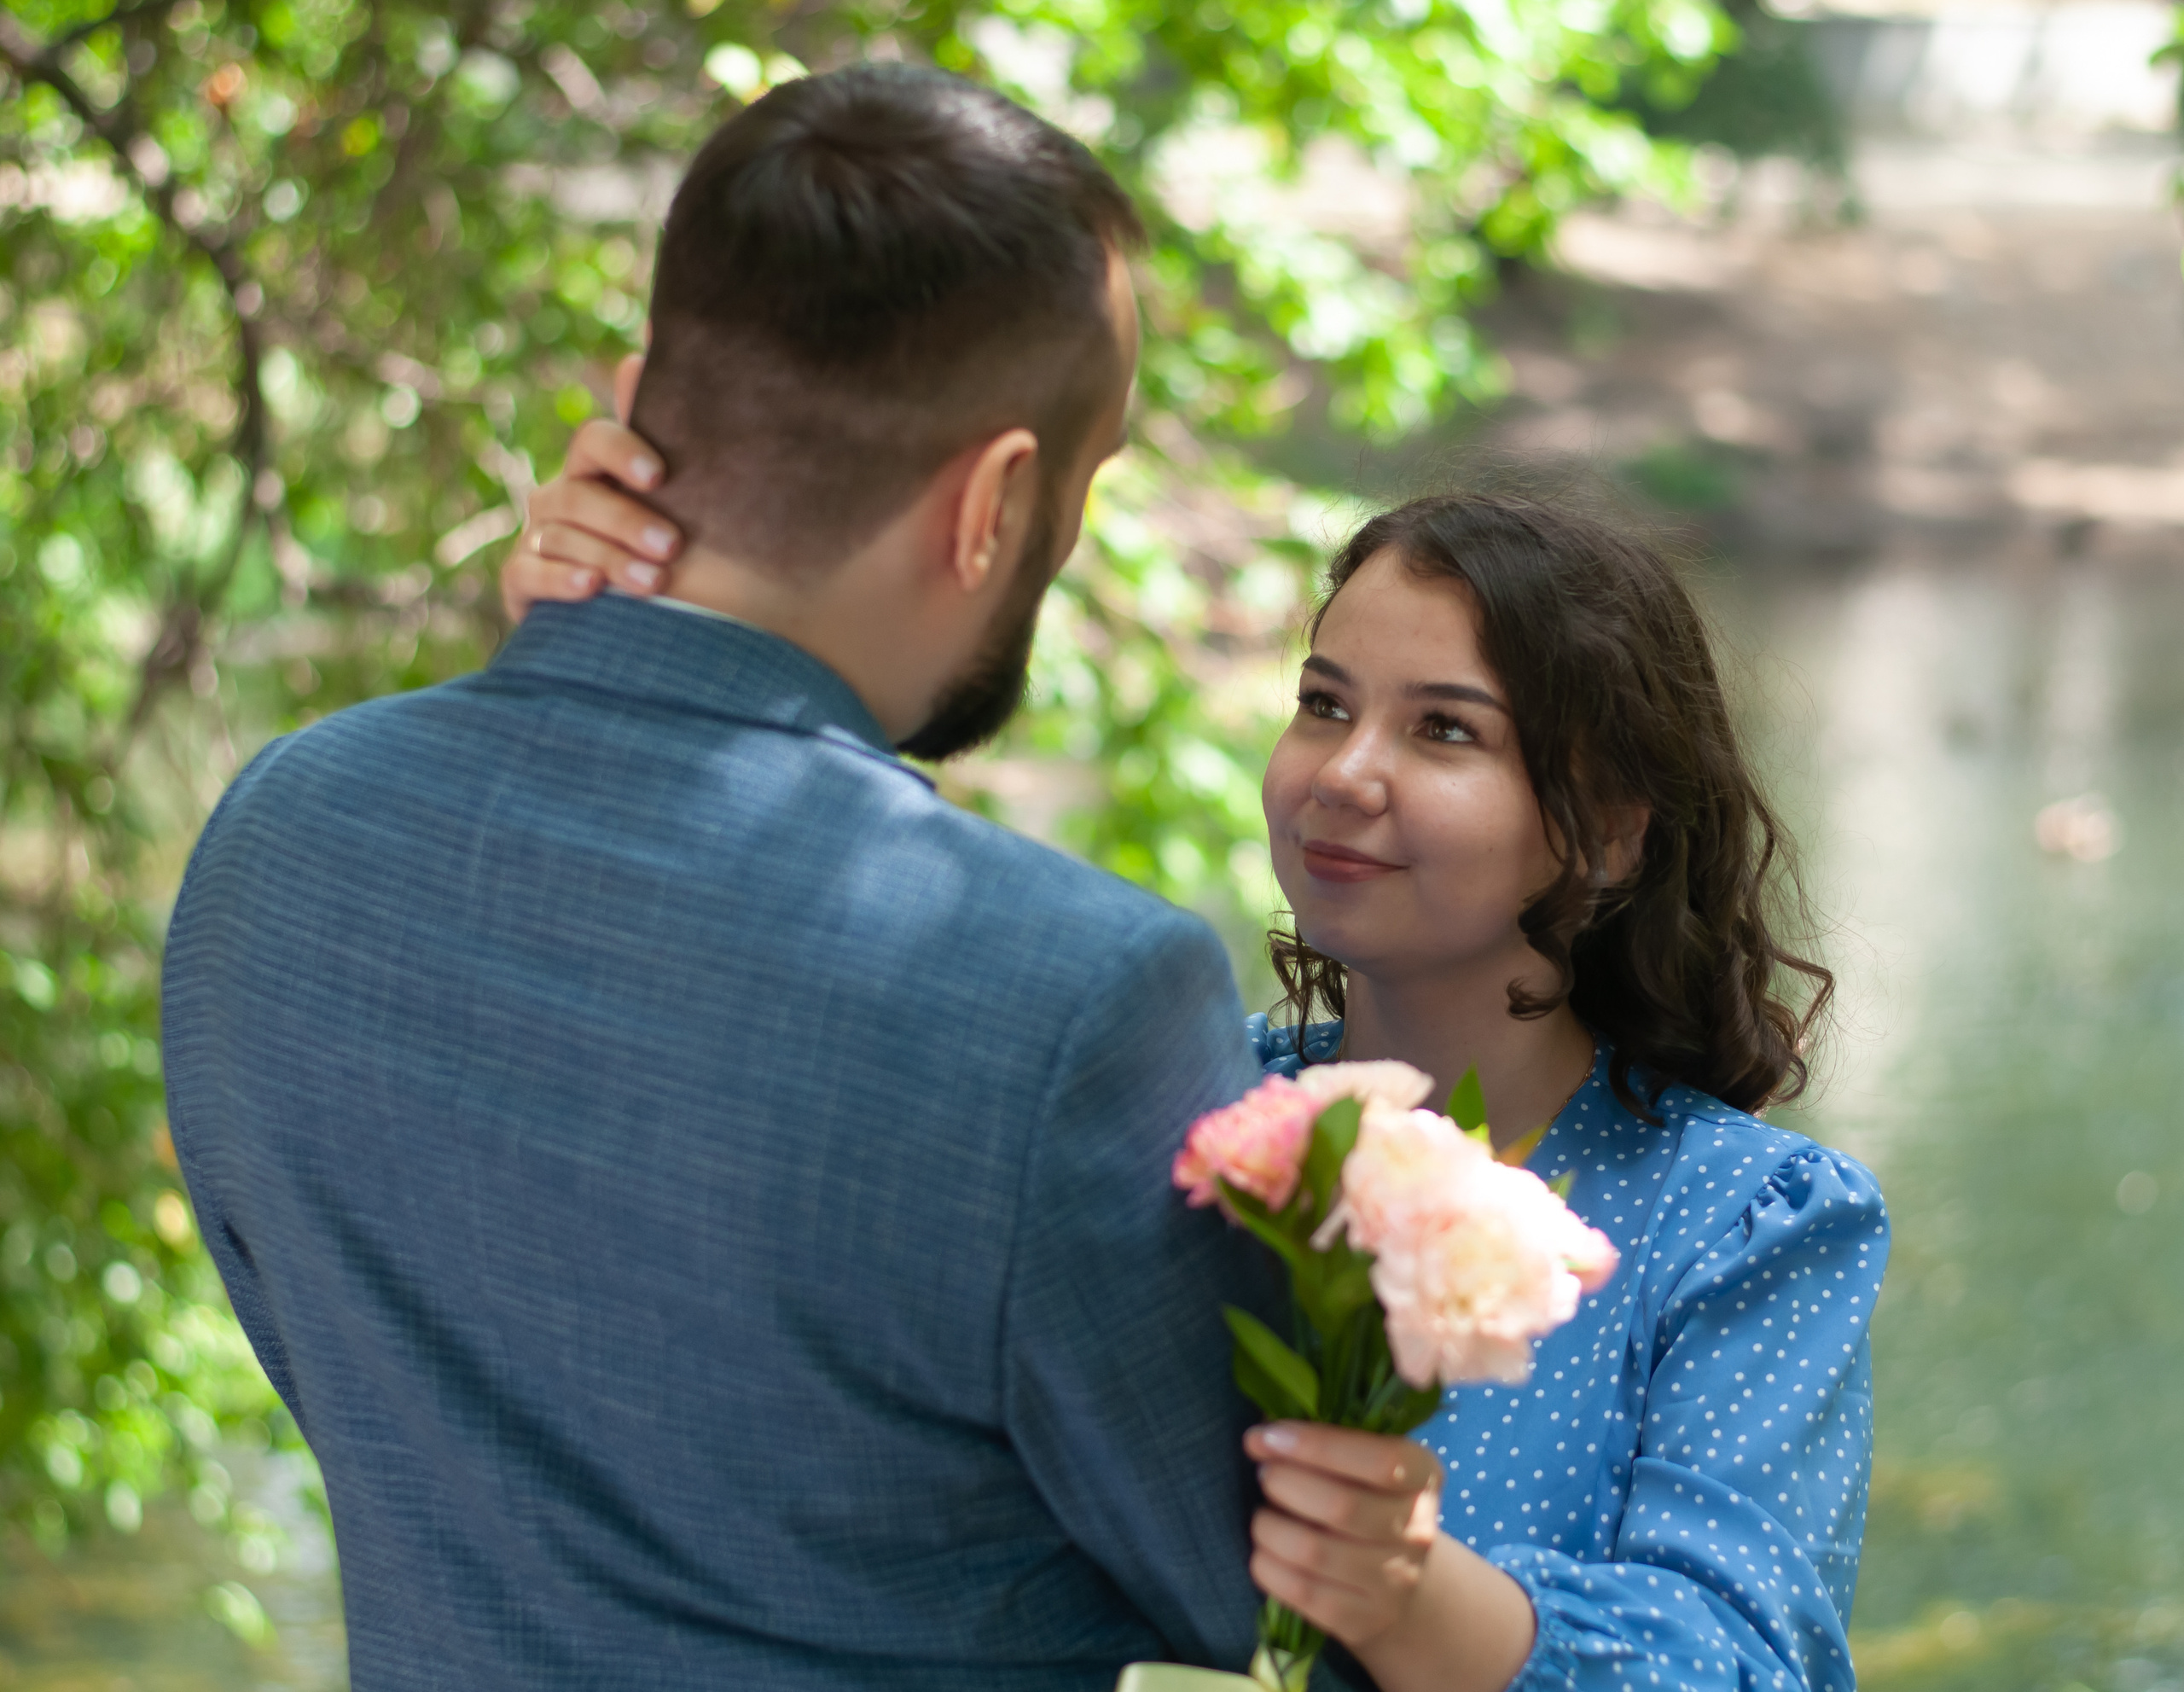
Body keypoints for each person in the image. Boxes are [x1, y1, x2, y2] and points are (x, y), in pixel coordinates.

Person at [160, 66, 1282, 1690]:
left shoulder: (281, 836)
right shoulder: (1067, 996)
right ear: (994, 503)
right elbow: (1253, 1586)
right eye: (1085, 489)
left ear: (636, 403)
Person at [510, 473, 1889, 1691]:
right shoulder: (1169, 1117)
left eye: (1445, 732)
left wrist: (1408, 1593)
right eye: (1323, 705)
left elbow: (1743, 1661)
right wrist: (632, 649)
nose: (1344, 775)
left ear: (1608, 833)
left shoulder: (1752, 1228)